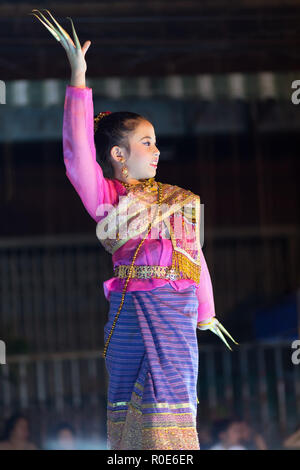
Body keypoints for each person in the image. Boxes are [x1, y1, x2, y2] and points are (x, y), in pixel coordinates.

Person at [30, 9, 239, 450]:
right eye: (147, 141)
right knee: (126, 400)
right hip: (129, 303)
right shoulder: (106, 196)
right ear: (119, 155)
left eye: (157, 141)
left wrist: (207, 309)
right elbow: (77, 156)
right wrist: (78, 79)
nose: (157, 150)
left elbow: (193, 256)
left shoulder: (177, 200)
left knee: (175, 400)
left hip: (175, 305)